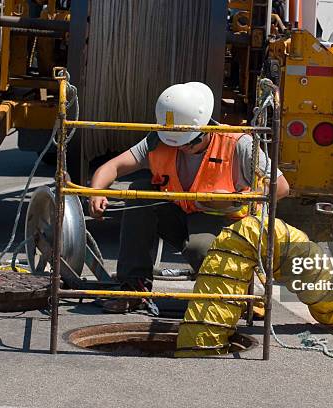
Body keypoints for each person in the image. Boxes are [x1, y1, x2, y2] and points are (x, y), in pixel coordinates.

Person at [88, 82, 289, 313]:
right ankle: (133, 288)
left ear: (205, 128)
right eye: (176, 143)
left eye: (188, 143)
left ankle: (232, 295)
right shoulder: (161, 140)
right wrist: (96, 192)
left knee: (200, 250)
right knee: (138, 195)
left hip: (223, 221)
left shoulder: (237, 143)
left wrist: (236, 198)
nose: (181, 148)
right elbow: (113, 167)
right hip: (181, 214)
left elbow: (281, 187)